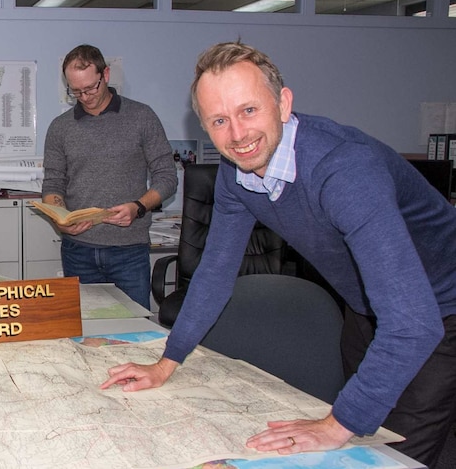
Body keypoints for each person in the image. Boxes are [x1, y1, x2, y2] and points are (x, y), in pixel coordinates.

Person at [100, 41, 456, 468]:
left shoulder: (345, 171)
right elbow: (214, 272)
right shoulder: (236, 175)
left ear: (283, 103)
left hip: (439, 310)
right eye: (219, 120)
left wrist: (337, 423)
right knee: (353, 443)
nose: (238, 134)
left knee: (394, 454)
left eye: (249, 110)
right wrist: (166, 362)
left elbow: (413, 324)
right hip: (366, 307)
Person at [42, 44, 177, 308]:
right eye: (76, 91)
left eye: (90, 88)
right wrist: (59, 219)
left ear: (105, 75)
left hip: (129, 250)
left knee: (134, 330)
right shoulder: (60, 128)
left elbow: (167, 176)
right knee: (85, 331)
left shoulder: (141, 117)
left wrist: (138, 207)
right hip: (78, 250)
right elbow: (53, 182)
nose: (85, 97)